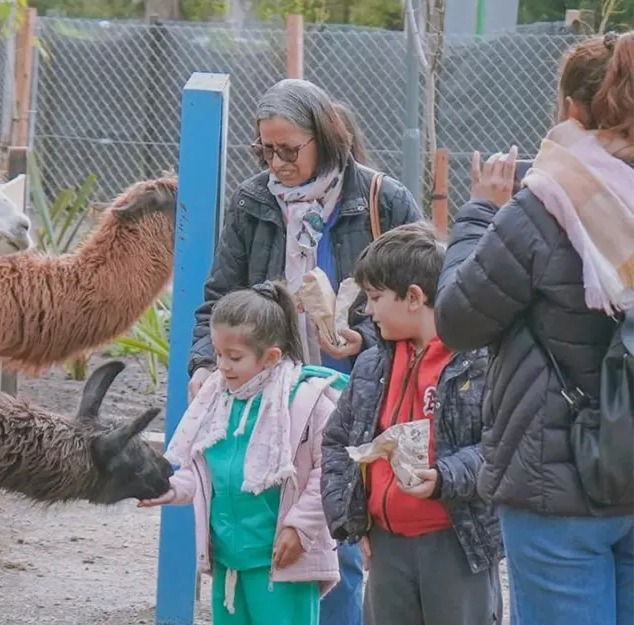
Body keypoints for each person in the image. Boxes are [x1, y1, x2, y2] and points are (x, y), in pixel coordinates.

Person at [186, 77, 423, 625]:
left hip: (355, 391)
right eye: (265, 149)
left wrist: (365, 338)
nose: (277, 163)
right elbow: (220, 295)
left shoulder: (382, 199)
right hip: (274, 399)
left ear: (325, 136)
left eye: (289, 150)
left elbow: (423, 297)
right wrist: (204, 362)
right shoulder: (253, 201)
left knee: (337, 532)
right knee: (276, 532)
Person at [433, 31, 634, 625]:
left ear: (572, 108)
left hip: (557, 483)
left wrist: (478, 214)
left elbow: (457, 319)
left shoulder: (548, 206)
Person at [320, 222, 503, 625]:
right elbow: (336, 440)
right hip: (387, 545)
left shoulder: (478, 360)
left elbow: (500, 447)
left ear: (414, 297)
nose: (368, 311)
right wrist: (351, 521)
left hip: (455, 544)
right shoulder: (373, 364)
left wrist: (444, 476)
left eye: (375, 298)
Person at [140, 280, 345, 625]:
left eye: (234, 357)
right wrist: (171, 489)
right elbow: (202, 470)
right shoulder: (215, 400)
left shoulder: (307, 401)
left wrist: (300, 528)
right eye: (218, 354)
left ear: (271, 357)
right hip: (229, 561)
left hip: (282, 564)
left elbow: (331, 471)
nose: (222, 366)